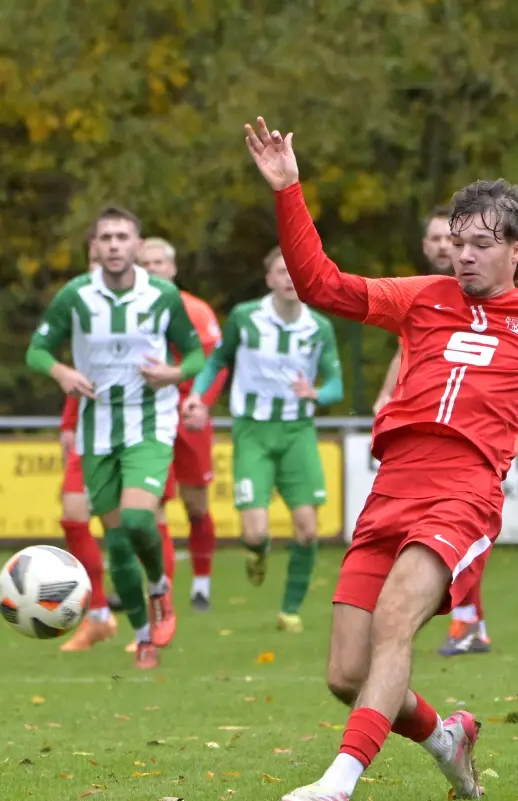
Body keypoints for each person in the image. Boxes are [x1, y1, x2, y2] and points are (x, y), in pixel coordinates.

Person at [241, 118, 518, 801]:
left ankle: (338, 783)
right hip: (391, 489)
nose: (463, 256)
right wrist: (288, 189)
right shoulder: (422, 297)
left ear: (516, 251)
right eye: (456, 243)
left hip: (463, 494)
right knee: (347, 673)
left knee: (395, 621)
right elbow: (320, 285)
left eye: (480, 245)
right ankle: (447, 738)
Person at [371, 208, 518, 656]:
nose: (448, 247)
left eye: (453, 239)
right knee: (422, 535)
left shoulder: (496, 295)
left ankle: (467, 619)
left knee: (457, 522)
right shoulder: (423, 295)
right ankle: (462, 620)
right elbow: (404, 353)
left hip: (472, 436)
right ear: (427, 246)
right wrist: (386, 395)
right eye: (441, 240)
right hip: (419, 431)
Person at [27, 205, 205, 669]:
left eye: (122, 237)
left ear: (137, 246)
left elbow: (195, 356)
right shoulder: (76, 295)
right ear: (94, 246)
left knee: (139, 518)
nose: (113, 245)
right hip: (97, 429)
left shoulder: (163, 295)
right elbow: (37, 350)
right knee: (119, 542)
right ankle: (143, 637)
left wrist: (173, 373)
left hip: (150, 423)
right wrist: (62, 372)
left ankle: (159, 588)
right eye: (105, 237)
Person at [182, 246, 343, 634]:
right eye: (281, 272)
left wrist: (317, 393)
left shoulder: (318, 327)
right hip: (252, 431)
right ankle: (257, 552)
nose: (289, 278)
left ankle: (290, 610)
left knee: (308, 529)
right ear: (269, 278)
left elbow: (336, 385)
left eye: (295, 271)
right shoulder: (245, 317)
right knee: (255, 532)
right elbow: (217, 361)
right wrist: (197, 396)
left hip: (297, 432)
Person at [136, 237, 229, 613]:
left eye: (158, 262)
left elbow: (216, 362)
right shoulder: (128, 311)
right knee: (152, 503)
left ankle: (202, 585)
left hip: (188, 416)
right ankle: (162, 591)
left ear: (172, 268)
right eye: (145, 263)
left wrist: (202, 403)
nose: (152, 269)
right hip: (145, 416)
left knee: (195, 505)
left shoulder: (195, 310)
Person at [58, 233, 118, 651]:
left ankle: (156, 616)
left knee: (133, 527)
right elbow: (81, 372)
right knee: (74, 516)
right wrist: (68, 421)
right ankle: (98, 615)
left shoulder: (149, 304)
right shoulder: (82, 303)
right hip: (89, 429)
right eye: (92, 259)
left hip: (139, 431)